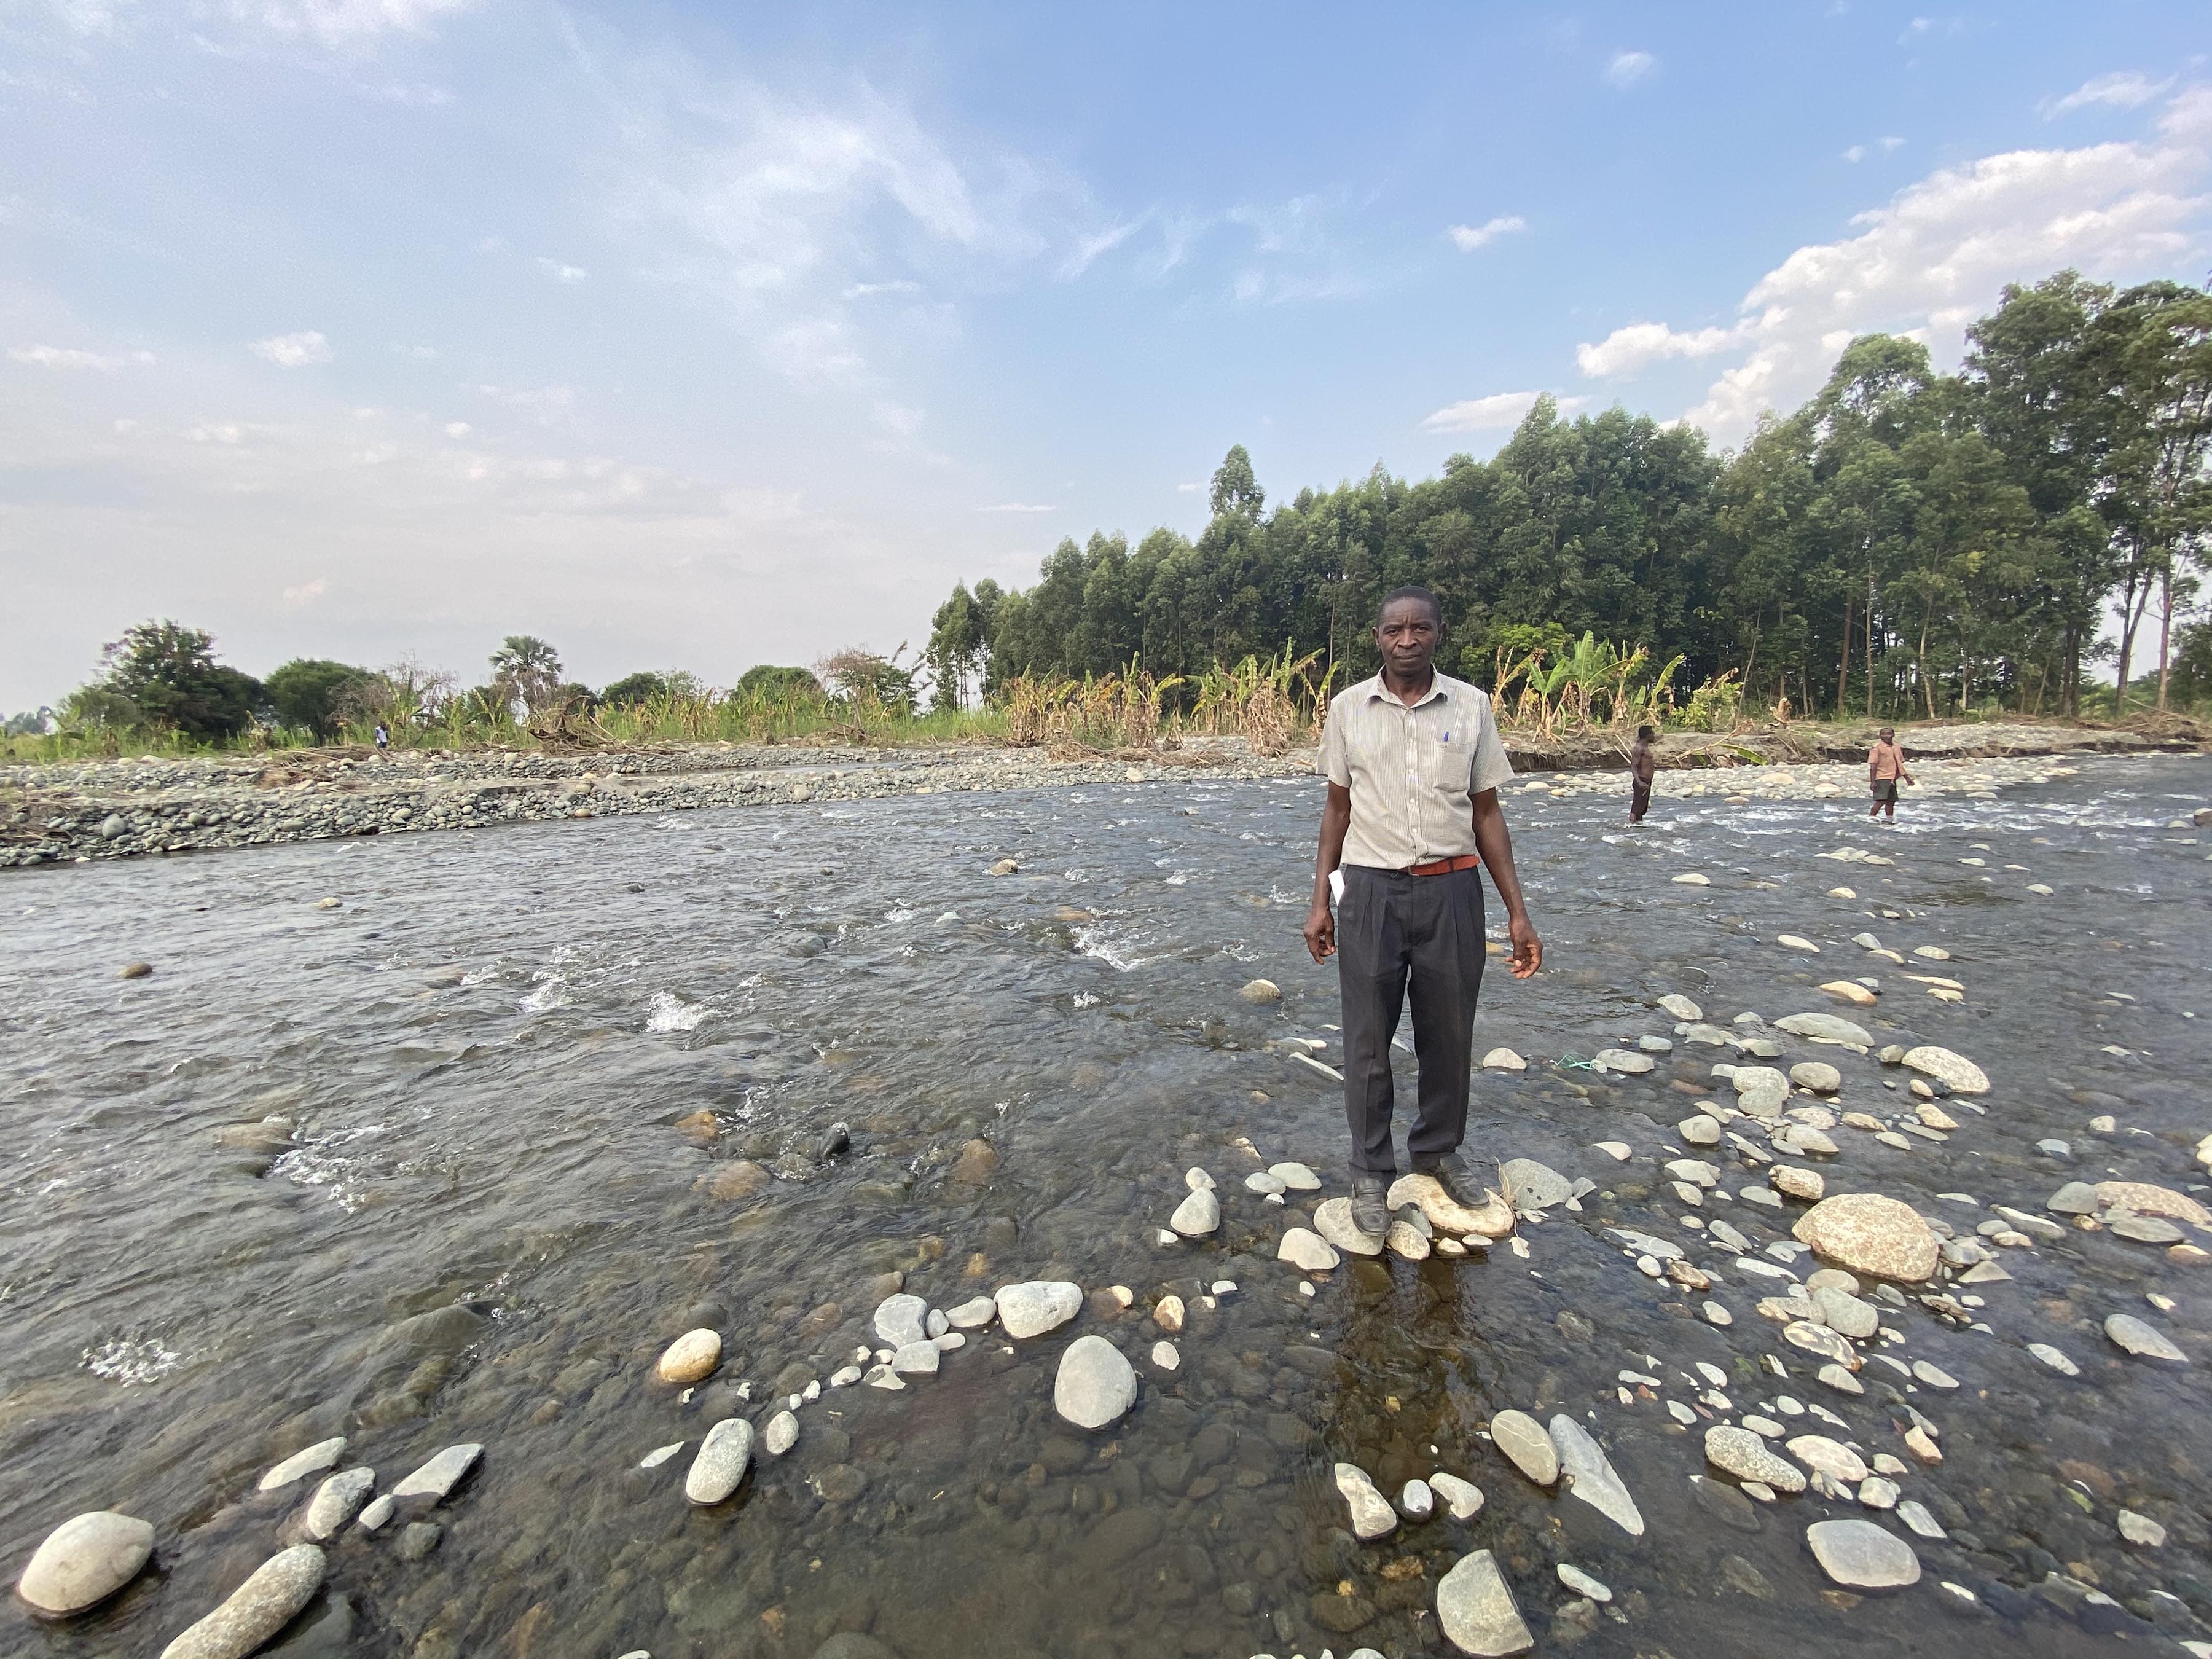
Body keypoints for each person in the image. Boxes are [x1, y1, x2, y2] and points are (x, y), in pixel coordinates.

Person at [1302, 586, 1543, 1237]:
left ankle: (1437, 1151)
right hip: (1370, 893)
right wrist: (1320, 899)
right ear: (1376, 637)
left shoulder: (1470, 706)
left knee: (1449, 1033)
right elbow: (1337, 809)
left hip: (1452, 891)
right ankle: (1369, 1172)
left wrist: (1517, 912)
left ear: (1438, 633)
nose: (1406, 641)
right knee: (1366, 1042)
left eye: (1420, 629)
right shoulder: (1348, 708)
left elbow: (1487, 812)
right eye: (1394, 631)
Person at [1867, 726, 1914, 820]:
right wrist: (1873, 782)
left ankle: (1889, 819)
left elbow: (1899, 764)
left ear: (1893, 735)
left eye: (1888, 734)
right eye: (1883, 734)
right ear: (1880, 736)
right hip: (1882, 777)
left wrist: (1906, 777)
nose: (1886, 736)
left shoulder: (1896, 747)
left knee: (1891, 801)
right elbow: (1873, 766)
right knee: (1881, 800)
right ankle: (1871, 818)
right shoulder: (1877, 748)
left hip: (1893, 778)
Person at [1628, 724, 1658, 823]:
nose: (1654, 736)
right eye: (1652, 734)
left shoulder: (1645, 748)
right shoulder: (1639, 748)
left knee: (1641, 809)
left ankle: (1639, 827)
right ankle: (1632, 827)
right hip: (1642, 781)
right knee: (1636, 809)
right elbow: (1634, 767)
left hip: (1647, 781)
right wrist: (1640, 782)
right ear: (1647, 735)